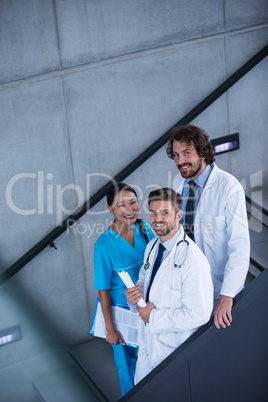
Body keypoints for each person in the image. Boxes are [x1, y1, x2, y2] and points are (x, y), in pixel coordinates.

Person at [125, 188, 213, 383]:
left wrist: (154, 317)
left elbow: (199, 314)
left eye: (165, 212)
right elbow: (146, 289)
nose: (158, 218)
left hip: (172, 353)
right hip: (148, 346)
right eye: (154, 212)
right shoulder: (152, 247)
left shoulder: (193, 261)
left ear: (178, 216)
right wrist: (134, 297)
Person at [166, 124, 250, 329]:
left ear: (203, 152)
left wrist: (227, 296)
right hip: (185, 282)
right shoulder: (179, 182)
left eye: (186, 153)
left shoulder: (229, 187)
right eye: (176, 155)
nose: (180, 162)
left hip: (215, 288)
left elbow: (240, 247)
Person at [93, 182, 154, 396]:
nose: (129, 210)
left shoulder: (145, 229)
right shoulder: (103, 245)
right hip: (122, 315)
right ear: (110, 209)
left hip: (147, 307)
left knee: (150, 357)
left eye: (133, 203)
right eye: (121, 205)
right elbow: (102, 290)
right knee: (127, 366)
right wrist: (110, 328)